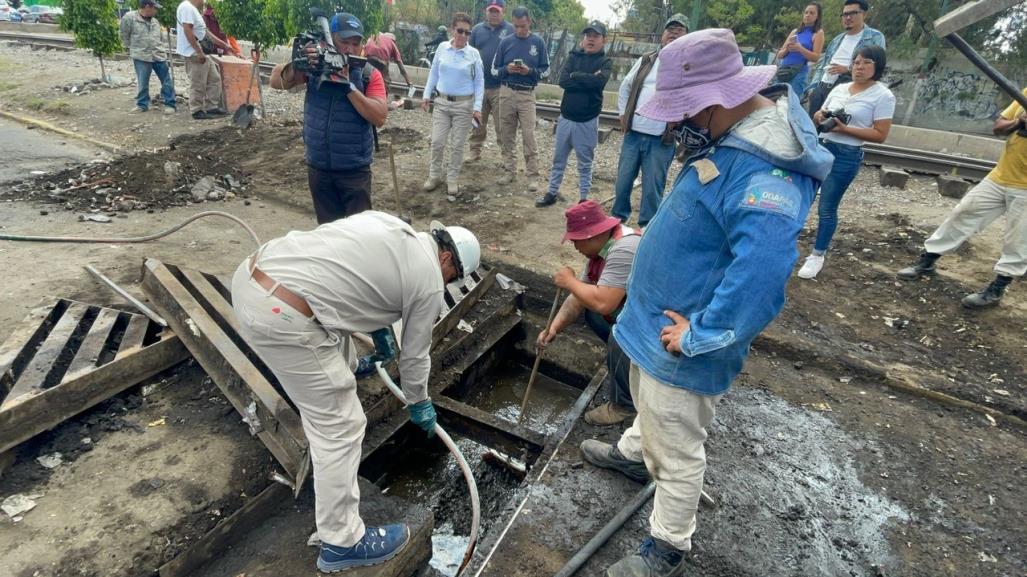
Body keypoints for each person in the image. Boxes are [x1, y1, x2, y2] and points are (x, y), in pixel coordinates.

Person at [578, 29, 832, 577]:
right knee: (650, 407)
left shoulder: (767, 168)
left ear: (715, 99)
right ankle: (633, 452)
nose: (674, 126)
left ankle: (668, 545)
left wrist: (702, 335)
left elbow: (762, 273)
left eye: (682, 113)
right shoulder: (732, 134)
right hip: (658, 322)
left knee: (677, 442)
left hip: (684, 338)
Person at [231, 212, 480, 574]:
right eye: (452, 277)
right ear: (447, 259)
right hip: (282, 316)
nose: (446, 283)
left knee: (331, 358)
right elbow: (415, 355)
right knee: (342, 426)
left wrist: (378, 327)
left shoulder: (391, 226)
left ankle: (340, 370)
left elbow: (347, 277)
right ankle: (342, 542)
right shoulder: (428, 280)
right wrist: (419, 401)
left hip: (253, 278)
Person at [896, 87, 1027, 308]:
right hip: (1000, 176)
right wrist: (1019, 123)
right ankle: (927, 261)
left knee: (1017, 240)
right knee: (962, 213)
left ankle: (998, 288)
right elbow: (998, 128)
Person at [269, 13, 389, 225]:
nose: (350, 49)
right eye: (344, 42)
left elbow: (379, 116)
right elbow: (276, 81)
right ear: (329, 40)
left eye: (355, 43)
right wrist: (298, 65)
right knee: (328, 233)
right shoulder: (314, 66)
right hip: (319, 168)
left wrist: (348, 87)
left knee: (359, 235)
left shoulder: (368, 74)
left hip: (354, 173)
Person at [538, 200, 639, 426]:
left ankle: (625, 406)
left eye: (576, 241)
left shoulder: (623, 249)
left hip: (659, 321)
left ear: (591, 236)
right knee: (592, 313)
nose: (575, 247)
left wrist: (569, 281)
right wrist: (552, 328)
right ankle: (626, 365)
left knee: (619, 332)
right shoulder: (601, 250)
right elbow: (579, 297)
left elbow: (604, 303)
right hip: (638, 311)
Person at [798, 45, 894, 279]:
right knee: (801, 199)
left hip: (846, 155)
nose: (859, 67)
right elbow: (820, 114)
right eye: (856, 62)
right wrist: (819, 116)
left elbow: (880, 135)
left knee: (827, 207)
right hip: (821, 147)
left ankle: (817, 255)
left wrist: (845, 129)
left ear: (877, 66)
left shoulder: (883, 95)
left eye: (866, 63)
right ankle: (786, 241)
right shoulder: (840, 88)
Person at [611, 14, 688, 227]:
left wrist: (679, 120)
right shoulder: (647, 59)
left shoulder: (688, 66)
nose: (673, 33)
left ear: (687, 37)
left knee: (653, 188)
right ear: (662, 35)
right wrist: (622, 114)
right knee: (623, 183)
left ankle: (646, 228)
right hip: (634, 135)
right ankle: (617, 222)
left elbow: (691, 98)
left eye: (679, 30)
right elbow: (626, 86)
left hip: (660, 140)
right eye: (670, 29)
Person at [535, 21, 612, 208]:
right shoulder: (573, 56)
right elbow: (563, 81)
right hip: (566, 119)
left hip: (587, 121)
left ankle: (584, 198)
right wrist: (588, 77)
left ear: (604, 40)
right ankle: (552, 192)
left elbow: (599, 83)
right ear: (583, 39)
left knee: (585, 164)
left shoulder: (605, 62)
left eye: (595, 36)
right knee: (558, 160)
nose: (590, 39)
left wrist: (575, 76)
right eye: (588, 35)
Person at [421, 13, 485, 197]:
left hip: (463, 105)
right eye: (460, 31)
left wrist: (477, 108)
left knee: (457, 145)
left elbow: (480, 82)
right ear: (452, 29)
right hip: (441, 103)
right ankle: (434, 175)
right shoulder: (442, 48)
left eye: (467, 32)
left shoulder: (473, 54)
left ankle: (452, 179)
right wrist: (426, 94)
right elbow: (434, 73)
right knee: (437, 141)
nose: (463, 35)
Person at [492, 6, 549, 190]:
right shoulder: (505, 42)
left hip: (527, 93)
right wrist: (506, 69)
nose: (519, 30)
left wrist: (529, 71)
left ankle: (533, 175)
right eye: (516, 26)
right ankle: (509, 171)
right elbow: (494, 69)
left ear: (529, 22)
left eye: (522, 26)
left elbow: (546, 70)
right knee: (506, 133)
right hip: (506, 91)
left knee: (528, 134)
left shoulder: (538, 42)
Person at [806, 0, 885, 117]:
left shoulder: (875, 37)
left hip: (847, 88)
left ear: (864, 14)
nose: (848, 18)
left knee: (834, 128)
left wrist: (848, 69)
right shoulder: (837, 40)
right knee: (812, 128)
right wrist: (813, 88)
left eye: (853, 13)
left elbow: (877, 66)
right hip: (823, 86)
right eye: (845, 14)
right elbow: (822, 66)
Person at [467, 0, 514, 163]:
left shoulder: (510, 30)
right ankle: (474, 150)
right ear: (486, 11)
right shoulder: (477, 30)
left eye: (497, 11)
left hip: (501, 86)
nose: (494, 14)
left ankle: (506, 156)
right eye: (491, 11)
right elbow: (468, 54)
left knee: (503, 124)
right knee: (477, 121)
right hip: (479, 86)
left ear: (503, 12)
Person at [175, 0, 236, 120]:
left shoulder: (194, 9)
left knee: (214, 79)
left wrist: (224, 45)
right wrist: (198, 51)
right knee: (198, 82)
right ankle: (196, 110)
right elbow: (187, 29)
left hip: (203, 51)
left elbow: (205, 32)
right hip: (194, 52)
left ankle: (211, 107)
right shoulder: (186, 7)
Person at [120, 0, 175, 115]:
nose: (156, 11)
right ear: (147, 7)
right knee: (143, 81)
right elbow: (124, 36)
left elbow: (159, 37)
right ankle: (142, 104)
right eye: (154, 8)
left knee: (166, 81)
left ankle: (170, 104)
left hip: (158, 54)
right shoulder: (129, 18)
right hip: (141, 55)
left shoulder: (155, 21)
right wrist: (133, 49)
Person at [775, 3, 824, 97]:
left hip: (798, 74)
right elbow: (780, 55)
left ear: (818, 16)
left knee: (791, 105)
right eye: (806, 12)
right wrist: (788, 49)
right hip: (783, 71)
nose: (808, 15)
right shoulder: (795, 31)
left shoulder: (818, 33)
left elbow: (816, 57)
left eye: (812, 13)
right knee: (774, 103)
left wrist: (800, 48)